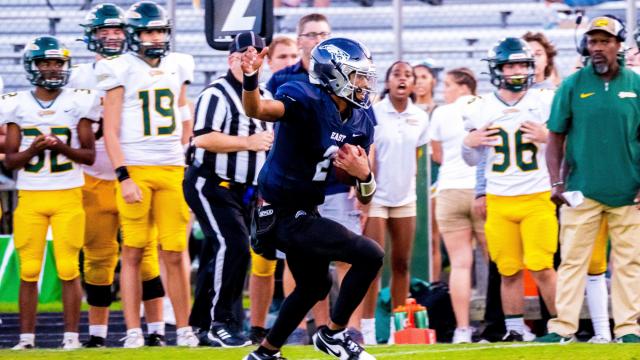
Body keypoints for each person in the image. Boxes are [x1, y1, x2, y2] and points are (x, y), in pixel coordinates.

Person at [241, 37, 382, 360]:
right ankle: (333, 335)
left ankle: (265, 354)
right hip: (279, 213)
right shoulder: (303, 96)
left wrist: (364, 174)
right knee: (370, 255)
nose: (363, 83)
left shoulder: (362, 119)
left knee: (314, 286)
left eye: (364, 76)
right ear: (334, 75)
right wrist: (251, 80)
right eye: (356, 75)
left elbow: (366, 193)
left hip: (307, 210)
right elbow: (258, 108)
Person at [96, 1, 198, 348]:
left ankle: (184, 327)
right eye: (148, 31)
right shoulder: (119, 68)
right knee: (134, 251)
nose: (155, 37)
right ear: (135, 35)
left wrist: (183, 151)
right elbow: (110, 130)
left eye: (159, 31)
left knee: (175, 249)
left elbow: (184, 111)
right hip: (136, 167)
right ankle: (134, 330)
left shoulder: (180, 63)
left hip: (171, 167)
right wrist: (124, 176)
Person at [68, 3, 169, 347]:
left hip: (136, 171)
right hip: (95, 175)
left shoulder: (138, 69)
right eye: (103, 31)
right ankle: (97, 334)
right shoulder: (78, 75)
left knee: (146, 256)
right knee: (97, 258)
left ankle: (155, 330)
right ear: (90, 35)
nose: (111, 37)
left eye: (116, 30)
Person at [538, 16, 640, 343]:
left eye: (604, 42)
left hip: (629, 191)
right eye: (592, 42)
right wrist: (556, 183)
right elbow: (554, 137)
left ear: (618, 45)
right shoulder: (572, 85)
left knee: (629, 263)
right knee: (571, 261)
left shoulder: (635, 85)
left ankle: (627, 328)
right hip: (581, 189)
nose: (597, 48)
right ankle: (563, 327)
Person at [4, 36, 98, 350]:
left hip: (68, 194)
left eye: (57, 63)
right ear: (33, 66)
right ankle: (26, 339)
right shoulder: (16, 103)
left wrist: (61, 147)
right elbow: (11, 162)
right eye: (45, 63)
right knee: (29, 270)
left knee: (69, 267)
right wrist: (34, 148)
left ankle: (71, 337)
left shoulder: (78, 101)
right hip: (30, 196)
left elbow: (89, 156)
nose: (52, 69)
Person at [461, 37, 557, 342]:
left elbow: (564, 147)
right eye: (510, 64)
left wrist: (547, 136)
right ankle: (514, 329)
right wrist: (469, 143)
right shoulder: (481, 107)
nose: (516, 71)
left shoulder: (545, 101)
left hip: (537, 196)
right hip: (499, 199)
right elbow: (471, 158)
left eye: (521, 64)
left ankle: (560, 327)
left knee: (542, 266)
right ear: (498, 69)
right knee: (508, 269)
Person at [184, 31, 273, 348]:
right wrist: (247, 143)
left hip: (244, 190)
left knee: (216, 253)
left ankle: (201, 325)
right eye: (243, 55)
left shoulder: (265, 93)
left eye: (257, 55)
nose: (249, 61)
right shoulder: (217, 94)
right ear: (231, 59)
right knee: (232, 245)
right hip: (211, 183)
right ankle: (222, 322)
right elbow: (203, 138)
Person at [256, 13, 336, 345]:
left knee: (323, 263)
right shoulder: (284, 79)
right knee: (295, 258)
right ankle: (298, 329)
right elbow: (267, 113)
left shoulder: (340, 74)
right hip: (291, 178)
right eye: (311, 34)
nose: (317, 39)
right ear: (300, 38)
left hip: (332, 176)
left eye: (324, 34)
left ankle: (326, 326)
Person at [360, 61, 429, 344]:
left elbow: (416, 156)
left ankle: (397, 331)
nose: (402, 79)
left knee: (402, 264)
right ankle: (366, 331)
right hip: (376, 198)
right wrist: (364, 196)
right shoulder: (373, 113)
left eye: (408, 75)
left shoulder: (420, 117)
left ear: (413, 84)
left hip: (405, 199)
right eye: (397, 74)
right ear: (387, 82)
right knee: (373, 264)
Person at [429, 67, 485, 344]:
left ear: (464, 85)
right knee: (496, 262)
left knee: (461, 264)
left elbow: (437, 155)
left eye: (449, 84)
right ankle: (504, 322)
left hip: (449, 189)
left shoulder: (440, 113)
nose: (445, 90)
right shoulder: (485, 106)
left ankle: (462, 329)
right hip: (480, 189)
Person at [248, 35, 298, 345]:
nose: (289, 61)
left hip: (291, 189)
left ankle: (290, 329)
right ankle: (256, 327)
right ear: (270, 61)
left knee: (296, 258)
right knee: (262, 260)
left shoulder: (301, 96)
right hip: (257, 185)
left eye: (294, 55)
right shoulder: (261, 96)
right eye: (282, 56)